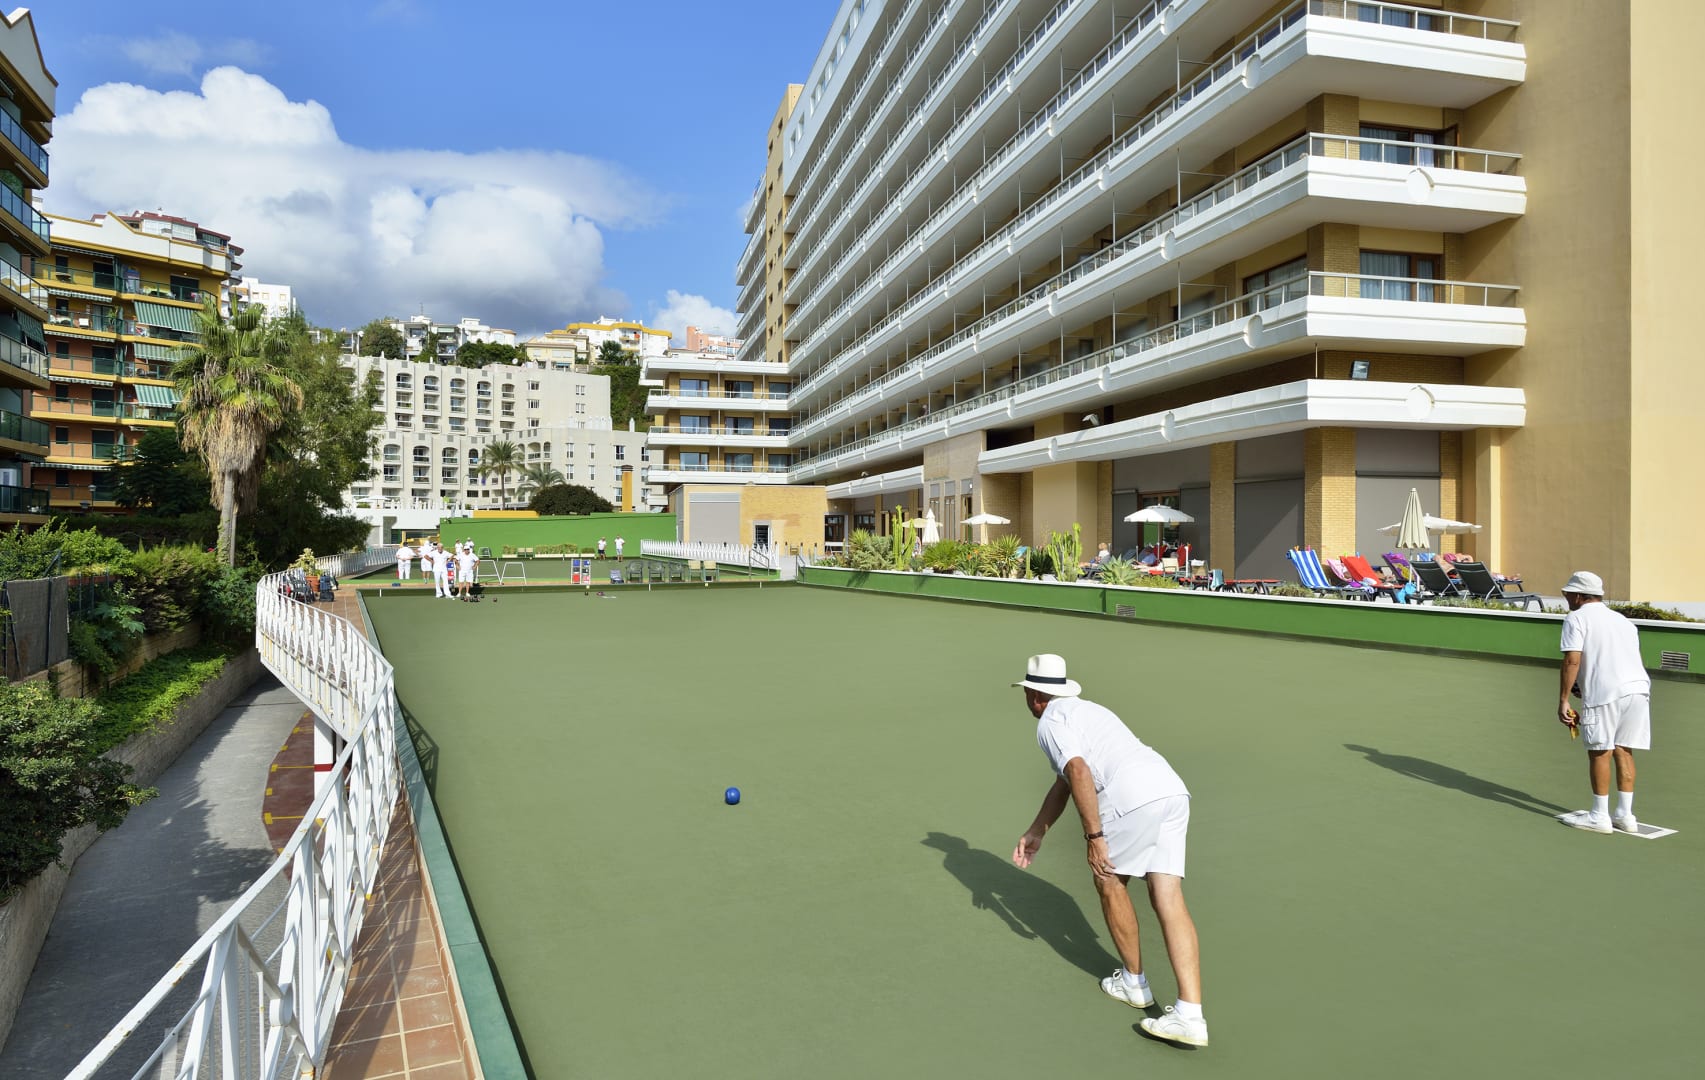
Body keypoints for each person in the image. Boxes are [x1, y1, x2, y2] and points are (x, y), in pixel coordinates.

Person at [1010, 654, 1208, 1048]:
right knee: (1167, 894)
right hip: (1170, 791)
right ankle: (1190, 1015)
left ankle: (1134, 983)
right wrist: (1037, 830)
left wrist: (1095, 837)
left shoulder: (1050, 721)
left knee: (1108, 879)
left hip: (1131, 797)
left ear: (1034, 694)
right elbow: (1065, 781)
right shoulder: (1089, 710)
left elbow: (1078, 771)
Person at [1556, 571, 1651, 834]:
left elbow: (1572, 660)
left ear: (1578, 595)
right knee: (1624, 749)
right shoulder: (1623, 621)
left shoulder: (1576, 618)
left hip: (1606, 693)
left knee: (1600, 750)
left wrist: (1564, 700)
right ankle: (1625, 816)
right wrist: (1583, 684)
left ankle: (1599, 816)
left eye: (1567, 594)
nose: (1566, 598)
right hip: (1638, 690)